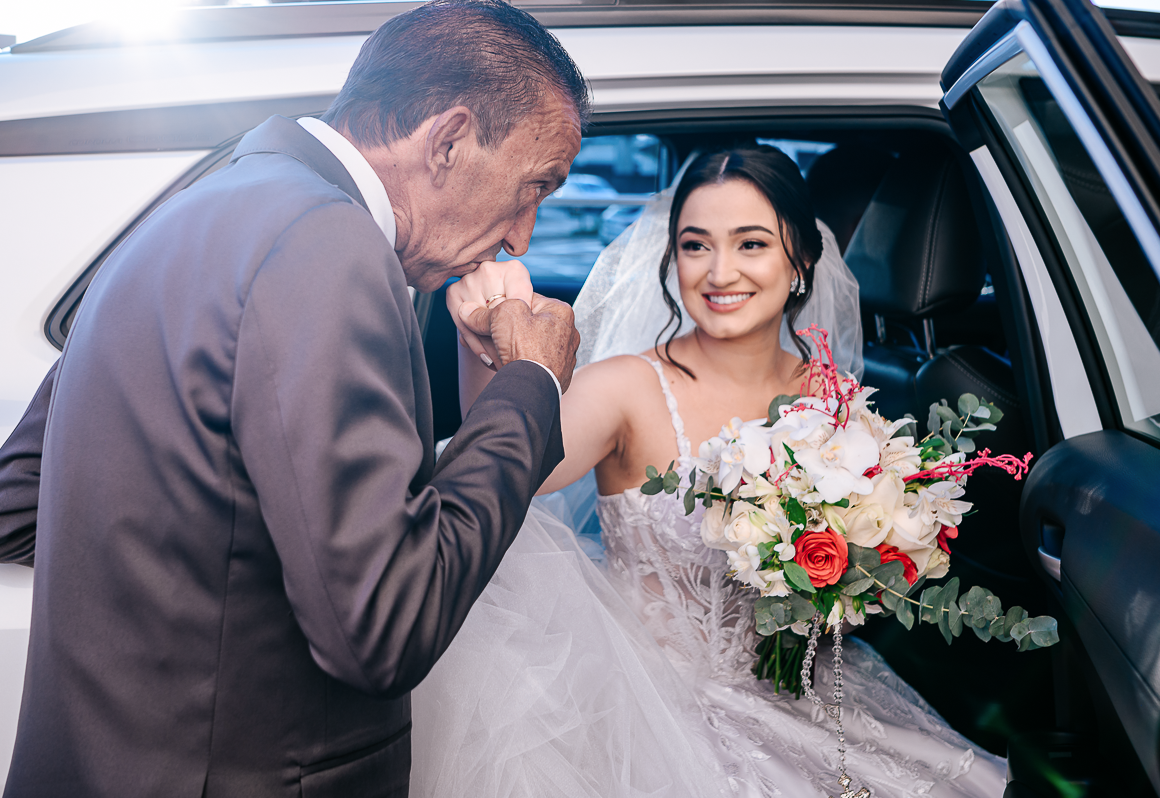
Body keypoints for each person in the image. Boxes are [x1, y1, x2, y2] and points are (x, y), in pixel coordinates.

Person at [0, 2, 588, 796]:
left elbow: (13, 508)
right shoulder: (326, 243)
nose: (522, 236)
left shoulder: (188, 213)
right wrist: (530, 384)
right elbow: (386, 630)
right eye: (534, 186)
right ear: (448, 141)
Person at [421, 147, 1006, 796]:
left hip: (799, 694)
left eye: (751, 244)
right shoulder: (626, 387)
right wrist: (483, 339)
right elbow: (505, 465)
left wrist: (859, 572)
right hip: (647, 714)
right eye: (696, 246)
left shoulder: (833, 396)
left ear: (800, 260)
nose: (720, 272)